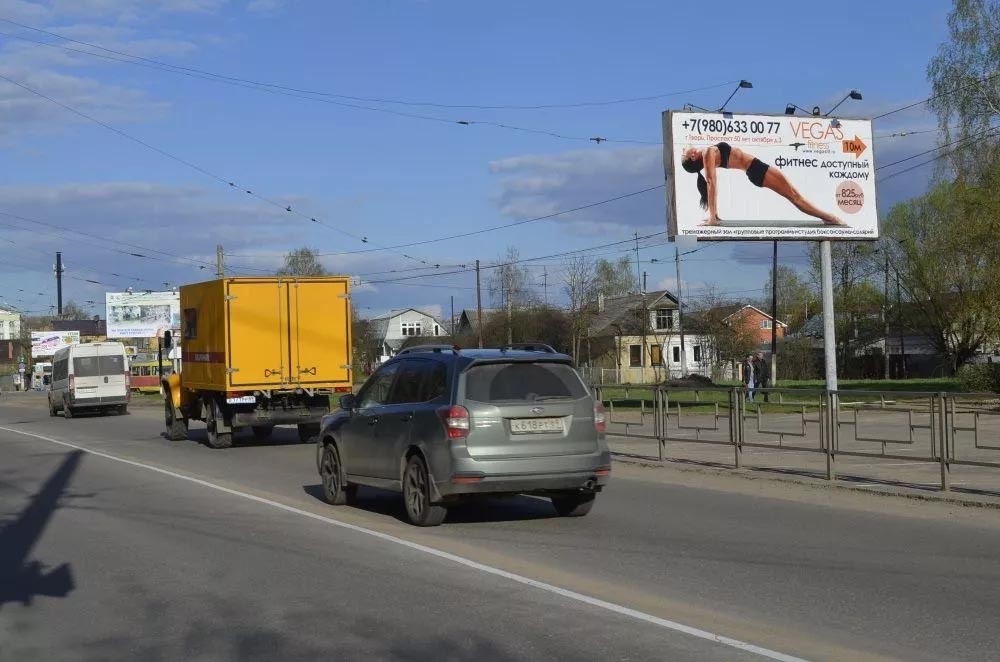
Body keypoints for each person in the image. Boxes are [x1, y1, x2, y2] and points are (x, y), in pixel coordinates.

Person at [680, 143, 845, 226]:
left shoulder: (708, 154)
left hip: (756, 170)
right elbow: (711, 183)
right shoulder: (708, 153)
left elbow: (710, 183)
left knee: (794, 195)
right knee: (794, 196)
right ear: (692, 157)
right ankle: (829, 218)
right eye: (684, 153)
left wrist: (713, 214)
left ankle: (827, 217)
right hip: (757, 170)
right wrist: (712, 218)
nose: (684, 149)